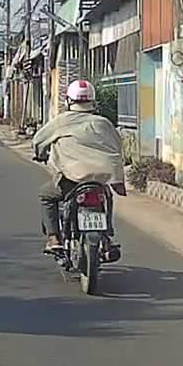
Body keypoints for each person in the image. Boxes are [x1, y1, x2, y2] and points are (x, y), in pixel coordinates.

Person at [31, 79, 126, 255]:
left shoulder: (61, 121)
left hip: (71, 179)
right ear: (92, 101)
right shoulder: (103, 123)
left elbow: (38, 141)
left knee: (46, 196)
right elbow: (118, 146)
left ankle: (53, 238)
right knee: (107, 196)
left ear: (69, 100)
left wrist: (40, 154)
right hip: (100, 178)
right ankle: (106, 236)